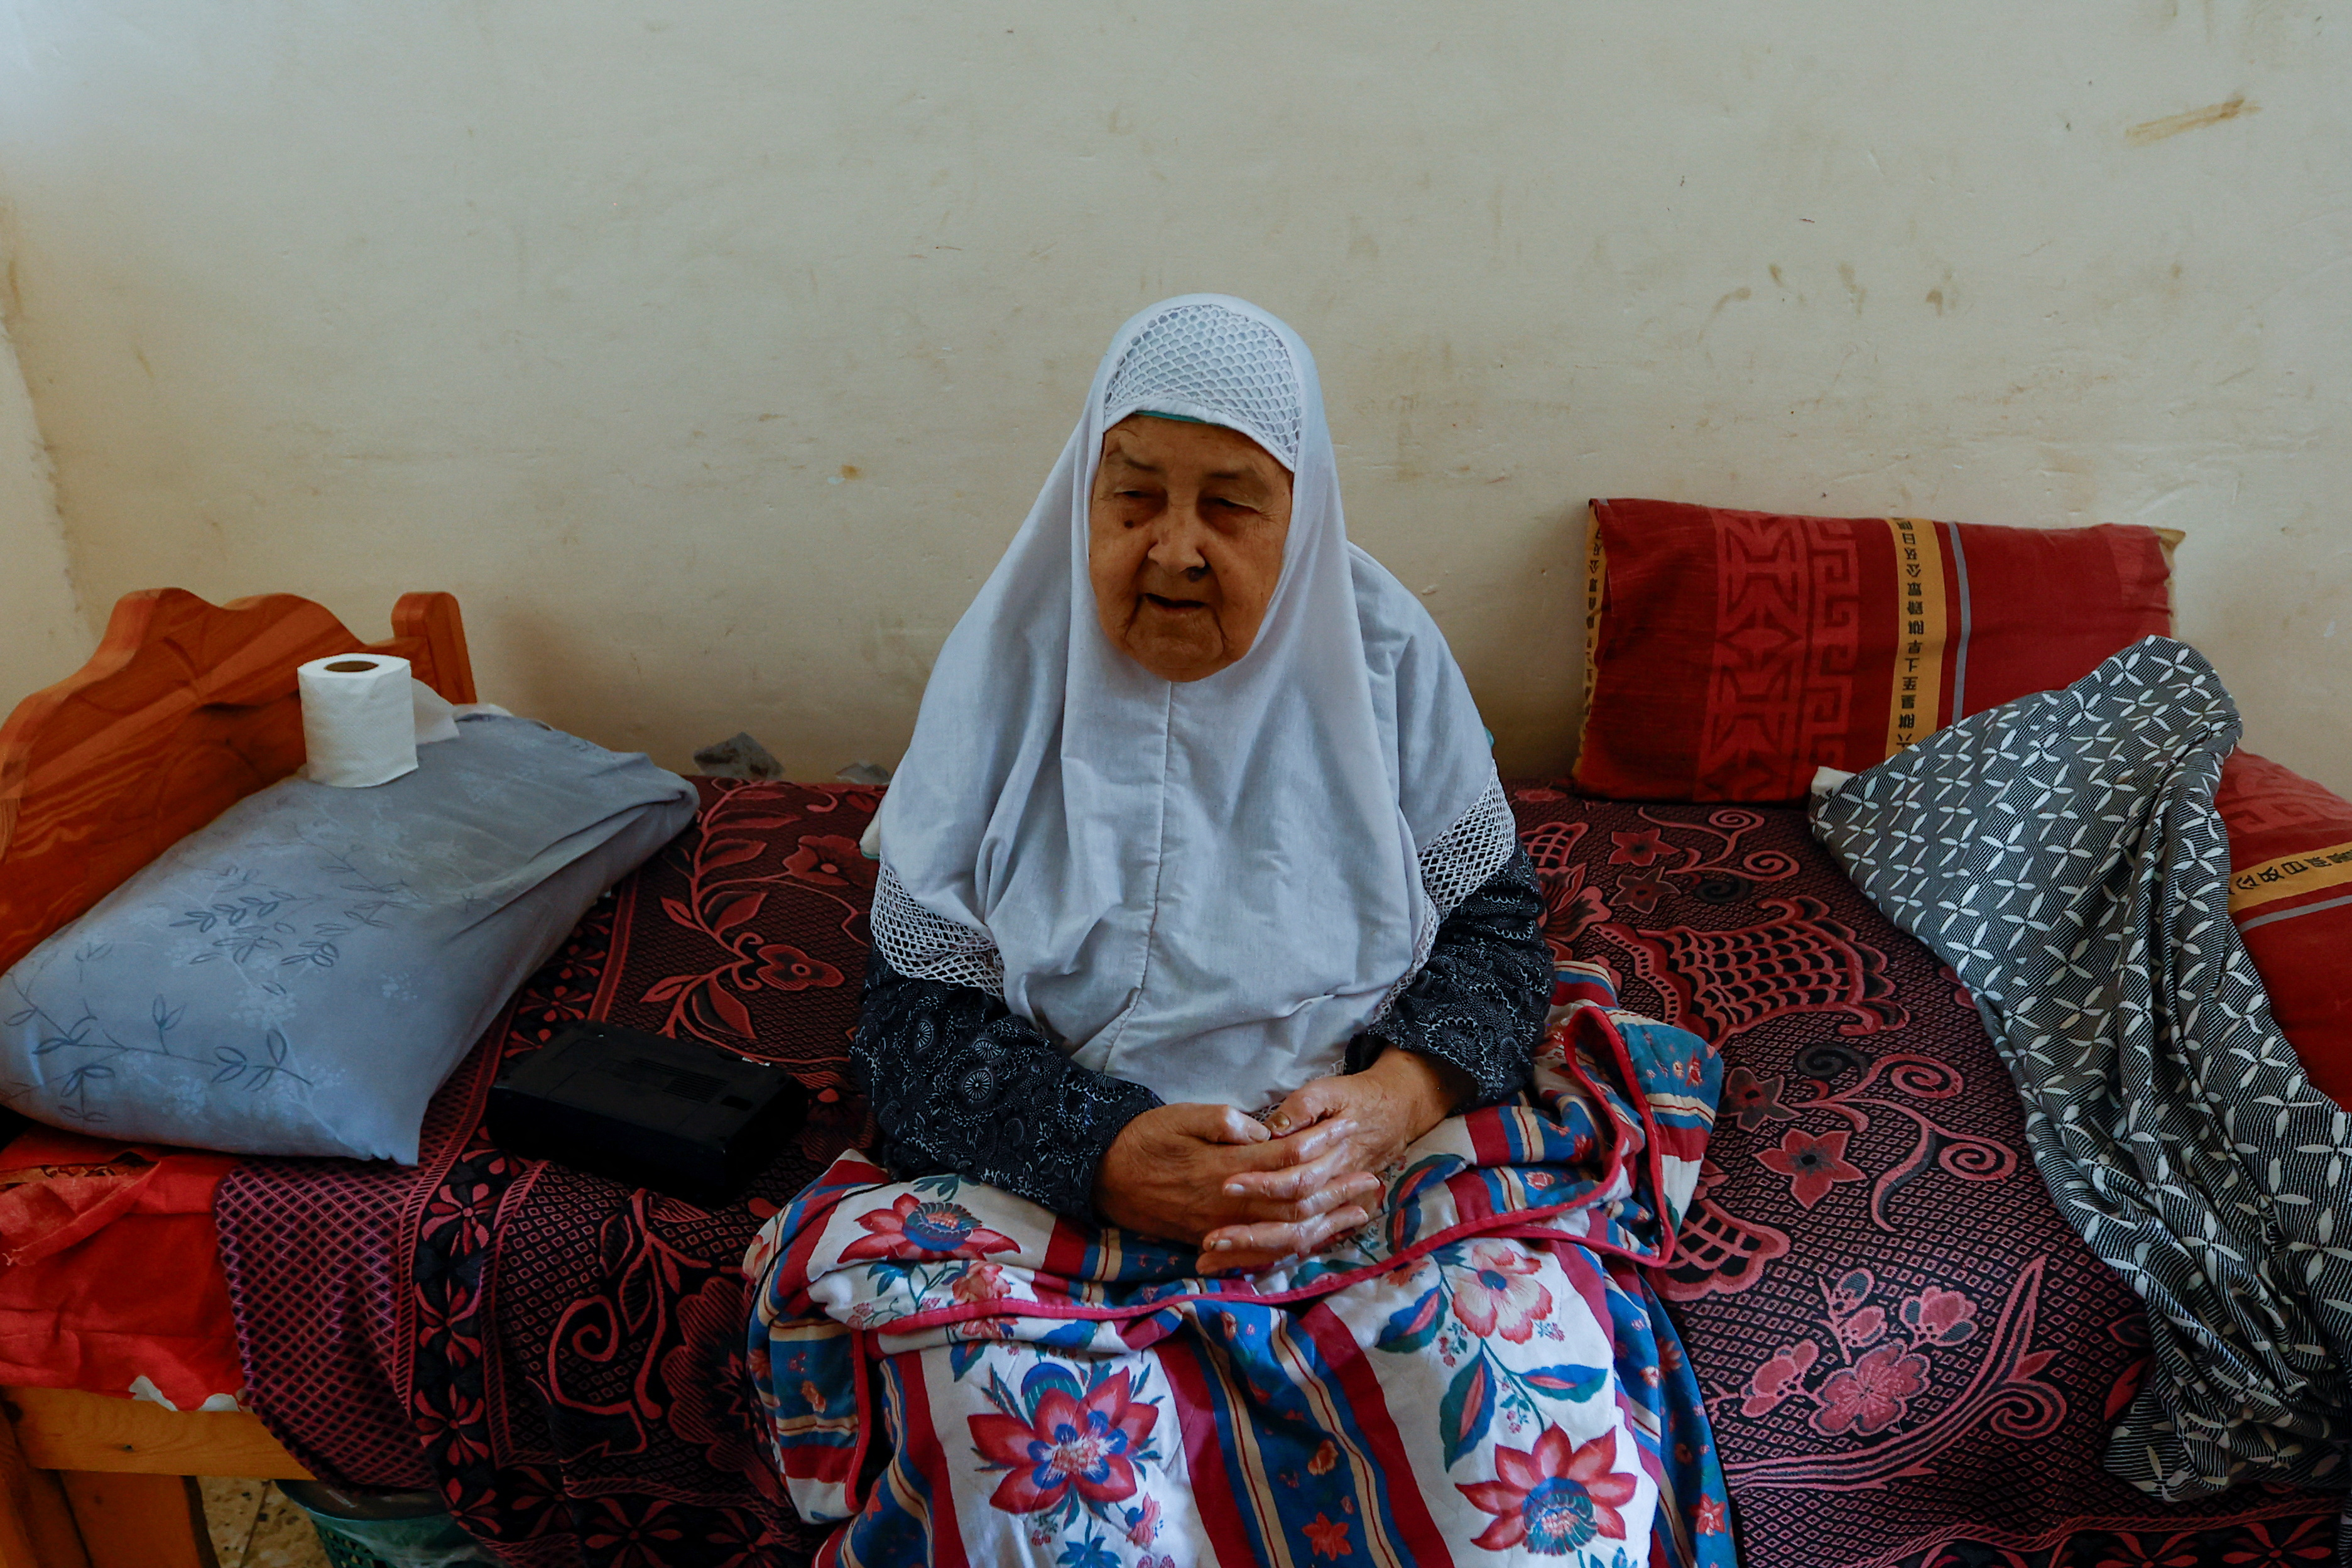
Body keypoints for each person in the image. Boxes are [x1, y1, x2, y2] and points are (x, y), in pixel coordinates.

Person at [856, 294, 1550, 1273]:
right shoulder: (1005, 661)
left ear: (1299, 517)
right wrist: (1103, 1153)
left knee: (1506, 1389)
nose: (1175, 550)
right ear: (1084, 497)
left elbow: (1496, 929)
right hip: (1040, 1180)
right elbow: (912, 1012)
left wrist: (1399, 1098)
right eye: (1133, 498)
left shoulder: (1381, 650)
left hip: (1350, 1169)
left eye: (1229, 504)